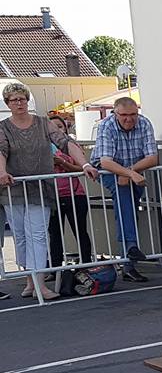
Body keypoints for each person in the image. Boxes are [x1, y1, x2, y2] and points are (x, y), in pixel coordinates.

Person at [0, 82, 97, 301]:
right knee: (20, 236)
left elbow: (65, 142)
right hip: (13, 190)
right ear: (8, 103)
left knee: (38, 234)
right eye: (14, 100)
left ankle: (40, 284)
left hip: (41, 187)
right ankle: (30, 280)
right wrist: (2, 172)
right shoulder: (3, 127)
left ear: (28, 101)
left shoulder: (43, 124)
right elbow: (1, 150)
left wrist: (84, 164)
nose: (19, 103)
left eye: (22, 99)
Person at [90, 96, 158, 282]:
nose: (129, 119)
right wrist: (128, 173)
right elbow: (105, 161)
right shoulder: (106, 125)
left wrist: (130, 173)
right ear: (115, 113)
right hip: (108, 170)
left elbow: (153, 158)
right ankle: (130, 249)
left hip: (132, 168)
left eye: (133, 114)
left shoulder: (144, 123)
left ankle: (128, 261)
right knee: (123, 198)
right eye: (124, 115)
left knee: (128, 208)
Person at [47, 115, 93, 269]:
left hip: (75, 194)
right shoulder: (43, 147)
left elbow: (82, 168)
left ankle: (86, 265)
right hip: (52, 197)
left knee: (80, 231)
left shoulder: (72, 145)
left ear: (66, 128)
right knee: (55, 235)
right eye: (53, 128)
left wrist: (63, 163)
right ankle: (55, 269)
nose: (57, 130)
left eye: (60, 127)